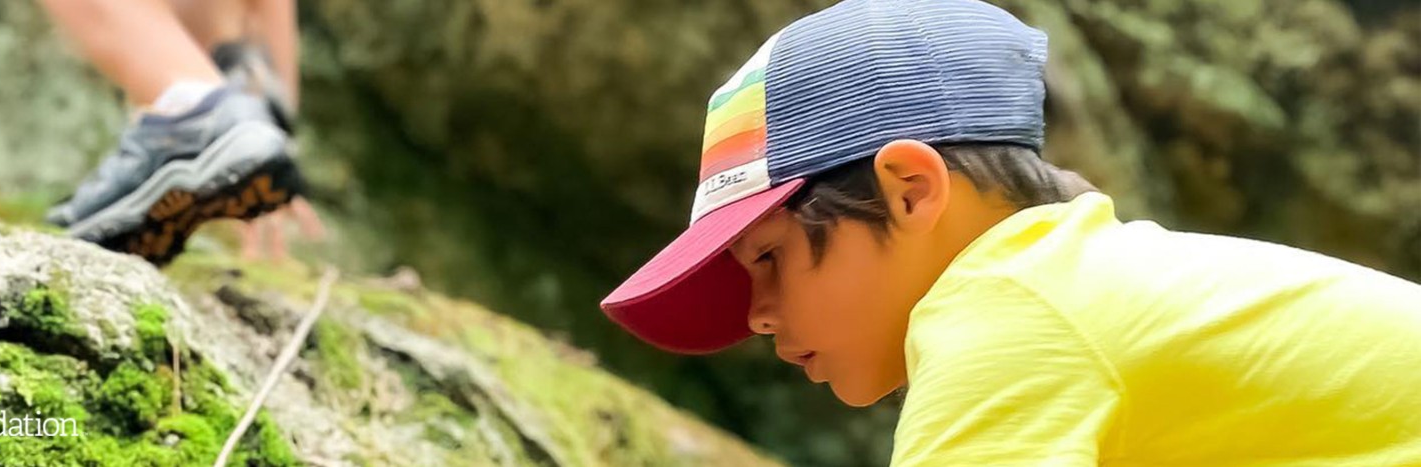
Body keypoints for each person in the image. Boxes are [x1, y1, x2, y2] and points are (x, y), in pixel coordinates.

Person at [599, 0, 1421, 464]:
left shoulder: (1008, 309)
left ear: (911, 190)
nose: (758, 314)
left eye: (770, 256)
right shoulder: (1082, 286)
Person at [39, 0, 320, 264]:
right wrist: (269, 132)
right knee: (235, 124)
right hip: (250, 99)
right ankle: (222, 116)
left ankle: (191, 107)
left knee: (201, 106)